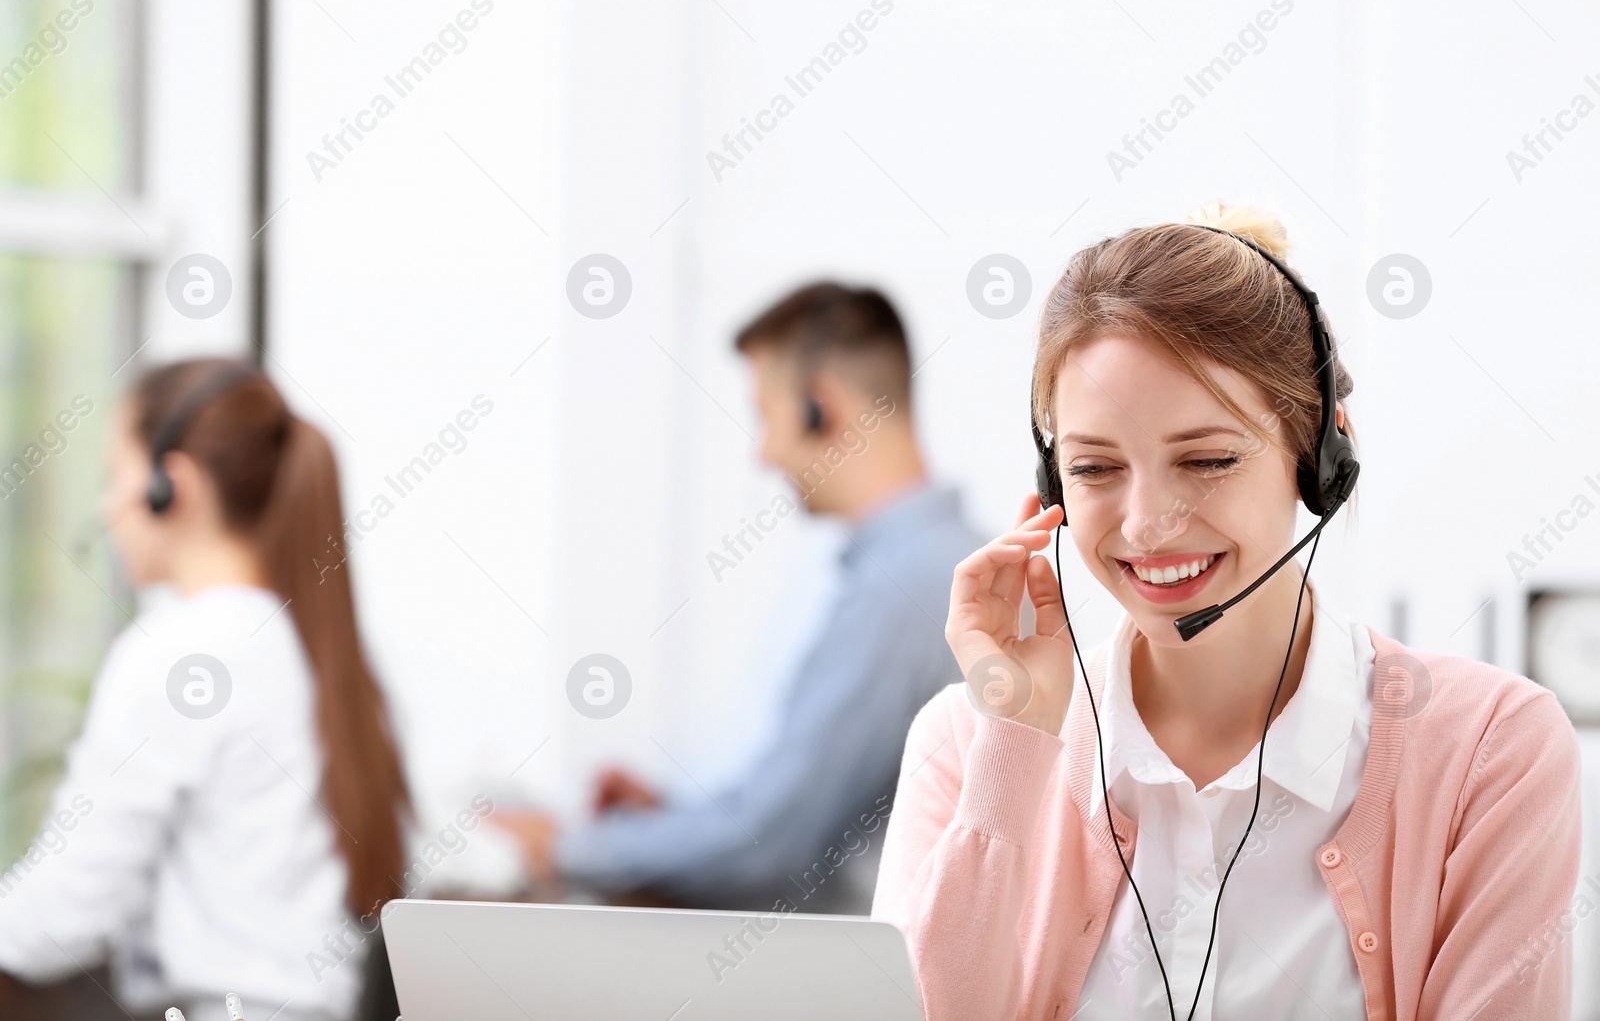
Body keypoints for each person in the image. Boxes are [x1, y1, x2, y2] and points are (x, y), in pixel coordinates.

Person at [871, 203, 1583, 1020]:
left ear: (1319, 456)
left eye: (1206, 458)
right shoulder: (967, 746)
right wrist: (1017, 742)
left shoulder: (1490, 750)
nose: (1145, 523)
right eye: (1096, 468)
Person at [493, 282, 987, 914]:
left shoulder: (904, 586)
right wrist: (673, 817)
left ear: (821, 407)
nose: (763, 454)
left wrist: (566, 849)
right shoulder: (935, 563)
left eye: (764, 415)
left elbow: (768, 845)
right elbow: (797, 804)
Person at [0, 358, 411, 1021]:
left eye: (116, 478)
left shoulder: (181, 650)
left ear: (171, 486)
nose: (107, 508)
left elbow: (70, 904)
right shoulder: (318, 647)